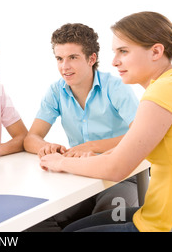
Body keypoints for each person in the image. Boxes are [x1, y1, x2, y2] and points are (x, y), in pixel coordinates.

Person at [41, 12, 172, 232]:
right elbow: (124, 149)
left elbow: (116, 169)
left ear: (156, 51)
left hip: (170, 225)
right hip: (157, 214)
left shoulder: (164, 91)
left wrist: (60, 162)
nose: (114, 61)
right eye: (115, 52)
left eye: (123, 51)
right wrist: (96, 156)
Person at [24, 23, 139, 230]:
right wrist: (45, 146)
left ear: (91, 59)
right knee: (35, 220)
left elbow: (140, 136)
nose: (64, 67)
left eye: (73, 58)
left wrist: (92, 146)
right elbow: (31, 138)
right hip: (78, 175)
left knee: (112, 216)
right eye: (59, 59)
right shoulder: (56, 91)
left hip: (122, 178)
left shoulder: (116, 87)